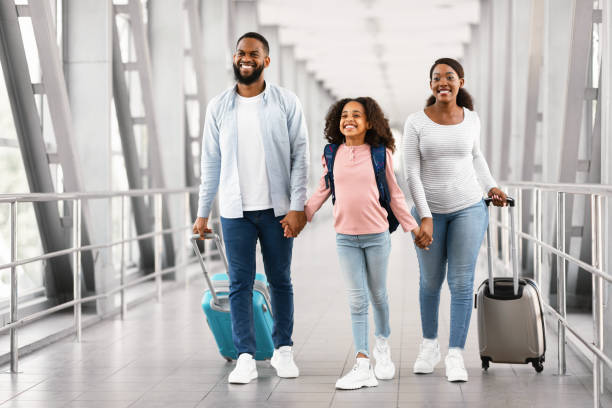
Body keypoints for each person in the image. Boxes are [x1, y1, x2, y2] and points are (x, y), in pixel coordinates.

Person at [192, 32, 309, 384]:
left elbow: (300, 156)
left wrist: (297, 206)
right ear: (234, 58)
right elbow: (210, 163)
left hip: (278, 210)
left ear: (266, 61)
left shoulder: (286, 102)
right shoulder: (218, 107)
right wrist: (202, 213)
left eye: (254, 54)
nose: (246, 58)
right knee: (239, 284)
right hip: (234, 211)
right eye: (241, 53)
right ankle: (244, 356)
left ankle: (283, 350)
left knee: (280, 280)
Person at [294, 97, 421, 390]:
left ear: (368, 122)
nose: (348, 119)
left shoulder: (379, 153)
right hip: (345, 238)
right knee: (356, 298)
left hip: (376, 236)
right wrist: (303, 215)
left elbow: (395, 193)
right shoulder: (333, 152)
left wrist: (412, 228)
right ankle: (363, 363)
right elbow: (324, 187)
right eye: (344, 115)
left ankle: (383, 347)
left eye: (356, 115)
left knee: (378, 295)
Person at [403, 57, 507, 383]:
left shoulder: (472, 119)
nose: (443, 82)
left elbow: (476, 156)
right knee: (430, 282)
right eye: (437, 78)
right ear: (431, 84)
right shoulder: (416, 122)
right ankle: (429, 345)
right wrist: (425, 215)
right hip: (429, 211)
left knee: (461, 283)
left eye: (449, 77)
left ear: (461, 81)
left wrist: (491, 186)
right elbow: (411, 172)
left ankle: (455, 354)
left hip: (469, 207)